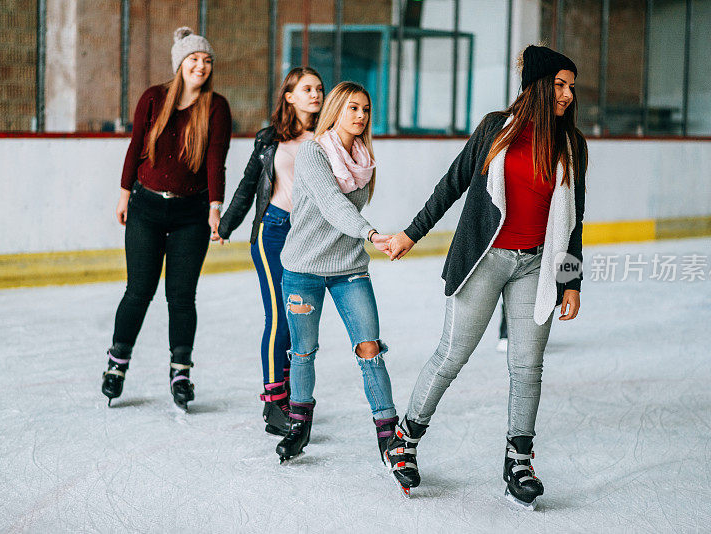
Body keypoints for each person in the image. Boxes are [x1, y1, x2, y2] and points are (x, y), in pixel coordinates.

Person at [384, 45, 587, 507]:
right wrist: (412, 234)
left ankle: (519, 459)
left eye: (572, 87)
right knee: (452, 355)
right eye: (560, 84)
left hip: (536, 265)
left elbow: (575, 220)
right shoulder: (497, 128)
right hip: (484, 258)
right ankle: (406, 439)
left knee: (527, 367)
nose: (568, 95)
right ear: (537, 85)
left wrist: (571, 280)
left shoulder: (571, 144)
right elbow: (451, 183)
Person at [101, 27, 232, 412]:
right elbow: (135, 147)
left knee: (181, 296)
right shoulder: (154, 98)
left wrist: (215, 208)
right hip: (146, 208)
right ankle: (117, 364)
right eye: (194, 59)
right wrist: (125, 193)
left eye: (207, 61)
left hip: (191, 213)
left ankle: (180, 372)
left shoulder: (216, 107)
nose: (201, 66)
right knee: (139, 290)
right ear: (180, 63)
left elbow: (215, 160)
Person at [273, 82, 398, 464]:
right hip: (304, 268)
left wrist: (365, 239)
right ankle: (299, 426)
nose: (360, 116)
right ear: (336, 110)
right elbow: (330, 204)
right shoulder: (312, 152)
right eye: (353, 108)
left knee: (370, 347)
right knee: (304, 352)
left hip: (349, 268)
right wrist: (371, 233)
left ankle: (389, 435)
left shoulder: (364, 161)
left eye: (365, 109)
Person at [218, 67, 324, 436]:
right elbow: (248, 186)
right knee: (279, 315)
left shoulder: (328, 138)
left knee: (299, 320)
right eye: (307, 89)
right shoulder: (269, 139)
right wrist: (226, 224)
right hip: (274, 231)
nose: (316, 94)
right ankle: (275, 400)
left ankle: (292, 393)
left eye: (320, 89)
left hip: (308, 237)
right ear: (290, 96)